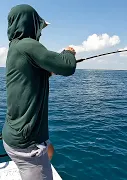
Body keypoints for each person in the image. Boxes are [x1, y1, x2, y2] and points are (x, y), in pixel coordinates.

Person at [1, 4, 77, 180]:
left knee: (49, 150)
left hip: (13, 135)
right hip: (27, 144)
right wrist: (69, 52)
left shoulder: (15, 47)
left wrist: (46, 74)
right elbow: (67, 66)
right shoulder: (29, 45)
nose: (41, 32)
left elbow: (27, 76)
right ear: (31, 24)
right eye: (39, 26)